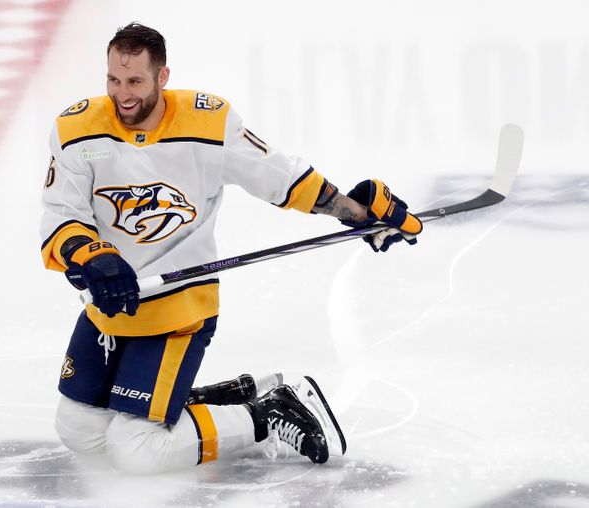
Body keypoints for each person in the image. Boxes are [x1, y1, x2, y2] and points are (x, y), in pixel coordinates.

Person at [40, 22, 422, 474]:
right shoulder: (77, 129)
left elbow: (277, 174)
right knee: (79, 431)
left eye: (135, 81)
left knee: (137, 450)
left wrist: (355, 213)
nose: (122, 94)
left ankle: (268, 413)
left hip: (176, 308)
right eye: (113, 80)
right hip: (111, 306)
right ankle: (219, 401)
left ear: (163, 77)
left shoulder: (208, 121)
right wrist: (92, 255)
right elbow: (61, 214)